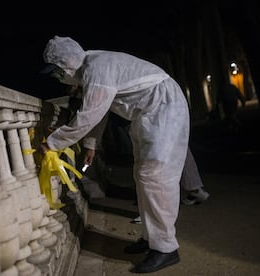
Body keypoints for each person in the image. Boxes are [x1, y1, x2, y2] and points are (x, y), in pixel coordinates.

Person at [40, 36, 190, 273]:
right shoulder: (94, 66)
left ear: (67, 63)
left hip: (163, 108)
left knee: (156, 177)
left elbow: (90, 114)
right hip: (151, 111)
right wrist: (91, 145)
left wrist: (53, 142)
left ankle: (165, 248)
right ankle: (152, 239)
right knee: (144, 176)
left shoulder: (95, 70)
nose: (57, 77)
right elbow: (101, 111)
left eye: (57, 71)